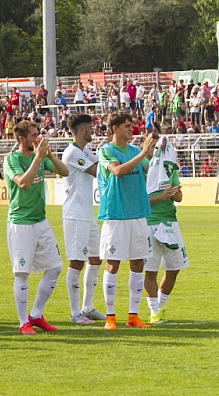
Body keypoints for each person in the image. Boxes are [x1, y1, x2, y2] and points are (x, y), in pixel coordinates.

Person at [4, 120, 69, 334]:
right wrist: (38, 159)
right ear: (22, 139)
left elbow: (65, 171)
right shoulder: (11, 159)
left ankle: (36, 315)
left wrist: (49, 156)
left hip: (40, 220)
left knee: (55, 267)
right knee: (22, 273)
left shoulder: (40, 157)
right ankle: (23, 322)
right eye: (33, 135)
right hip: (20, 223)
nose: (38, 138)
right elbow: (24, 182)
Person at [97, 113, 156, 330]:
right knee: (113, 264)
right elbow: (118, 171)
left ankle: (133, 316)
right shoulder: (105, 151)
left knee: (138, 264)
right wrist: (142, 154)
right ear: (114, 128)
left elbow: (153, 171)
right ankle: (110, 317)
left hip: (138, 214)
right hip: (116, 216)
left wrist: (155, 154)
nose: (132, 129)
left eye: (132, 125)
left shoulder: (135, 152)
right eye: (127, 126)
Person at [60, 114, 106, 325]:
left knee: (96, 258)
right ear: (81, 130)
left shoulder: (84, 151)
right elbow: (97, 170)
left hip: (87, 213)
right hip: (75, 214)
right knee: (77, 261)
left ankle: (87, 307)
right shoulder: (71, 153)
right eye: (89, 127)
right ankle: (74, 312)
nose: (92, 131)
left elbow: (101, 164)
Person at [143, 137, 188, 324]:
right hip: (150, 223)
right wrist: (161, 197)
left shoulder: (169, 167)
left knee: (174, 269)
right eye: (154, 147)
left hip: (170, 223)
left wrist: (177, 195)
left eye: (159, 146)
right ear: (146, 148)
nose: (157, 150)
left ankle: (160, 306)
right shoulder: (143, 168)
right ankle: (154, 312)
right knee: (150, 271)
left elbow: (179, 197)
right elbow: (139, 201)